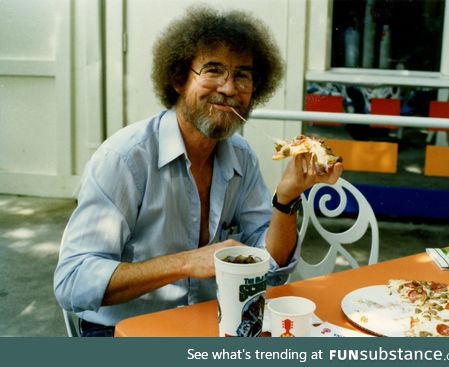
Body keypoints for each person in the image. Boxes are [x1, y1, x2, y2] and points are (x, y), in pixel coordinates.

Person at [53, 5, 343, 337]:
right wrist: (187, 262)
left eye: (242, 75)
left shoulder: (241, 158)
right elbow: (72, 281)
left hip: (209, 328)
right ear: (178, 78)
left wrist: (286, 198)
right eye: (213, 70)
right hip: (123, 333)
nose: (229, 88)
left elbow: (271, 269)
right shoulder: (125, 159)